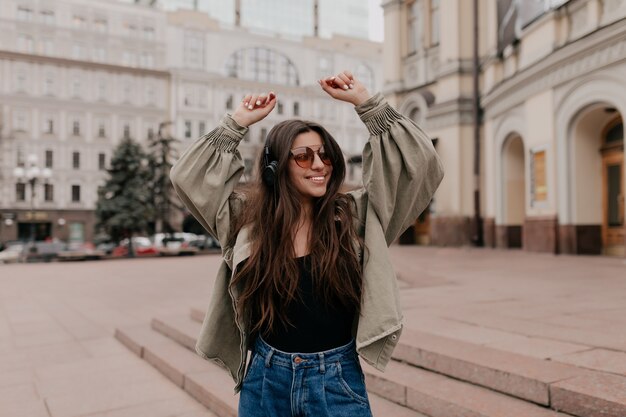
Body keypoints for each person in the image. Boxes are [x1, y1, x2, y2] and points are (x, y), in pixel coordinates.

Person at [170, 70, 444, 416]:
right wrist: (236, 123)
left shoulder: (356, 216)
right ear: (275, 167)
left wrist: (367, 104)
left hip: (336, 378)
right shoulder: (248, 221)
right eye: (303, 156)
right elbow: (186, 177)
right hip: (265, 379)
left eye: (326, 154)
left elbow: (422, 165)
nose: (319, 164)